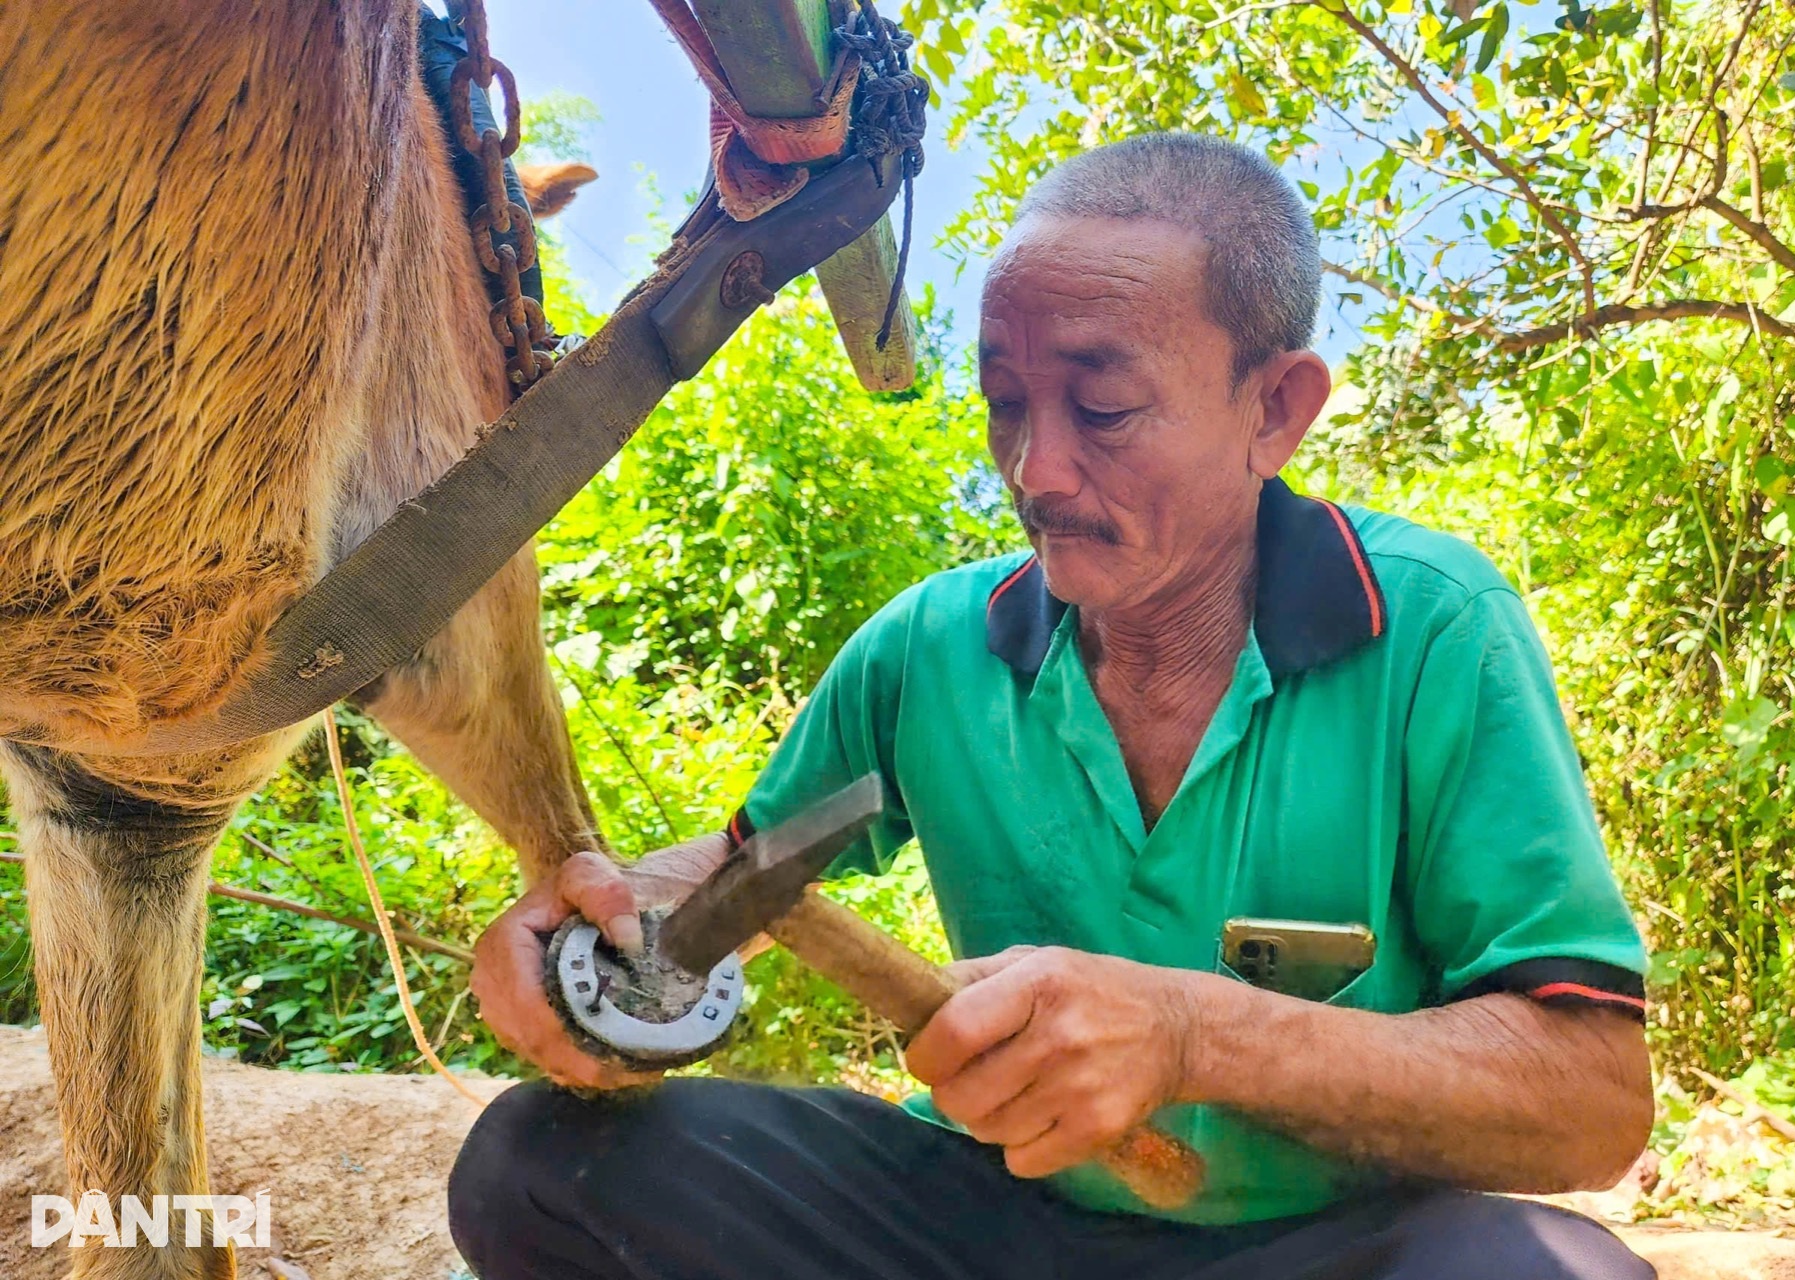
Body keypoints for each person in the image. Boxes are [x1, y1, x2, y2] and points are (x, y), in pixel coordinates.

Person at [449, 132, 1657, 1280]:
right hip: (984, 1222)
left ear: (1275, 411)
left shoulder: (1433, 627)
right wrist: (604, 925)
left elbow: (1592, 1098)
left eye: (1105, 408)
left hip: (1321, 1240)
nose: (1036, 469)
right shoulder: (932, 648)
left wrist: (1192, 1033)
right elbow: (746, 876)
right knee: (536, 1167)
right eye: (1006, 400)